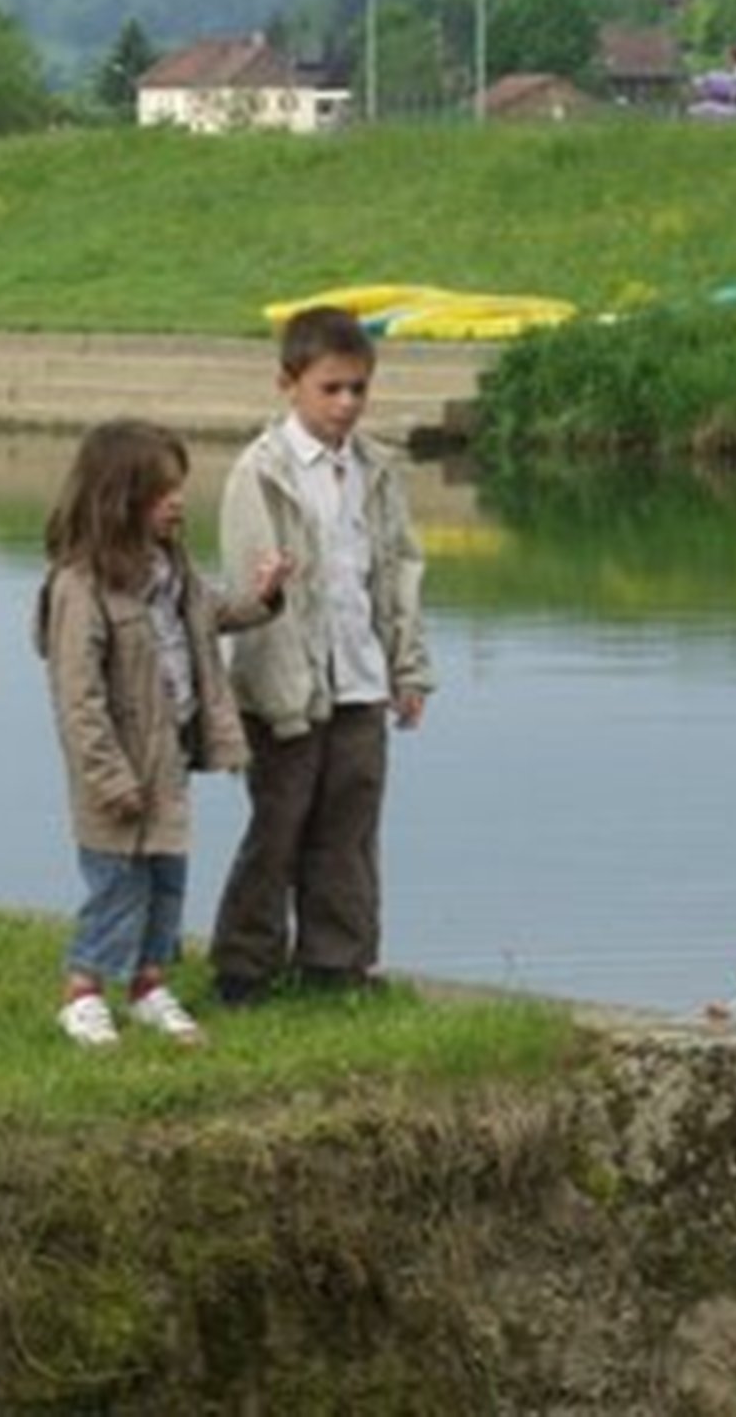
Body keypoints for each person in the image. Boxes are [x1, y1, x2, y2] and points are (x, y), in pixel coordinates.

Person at [35, 420, 289, 1048]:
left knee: (165, 877)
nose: (177, 502)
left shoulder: (171, 571)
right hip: (116, 767)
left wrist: (263, 598)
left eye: (178, 488)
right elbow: (78, 699)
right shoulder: (80, 587)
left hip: (167, 756)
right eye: (161, 492)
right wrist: (109, 777)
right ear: (117, 498)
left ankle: (148, 984)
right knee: (116, 882)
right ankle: (83, 992)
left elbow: (213, 613)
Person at [209, 305, 435, 1005]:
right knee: (278, 827)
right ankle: (246, 966)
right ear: (289, 384)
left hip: (360, 681)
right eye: (330, 388)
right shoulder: (260, 472)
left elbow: (397, 571)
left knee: (349, 827)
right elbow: (251, 593)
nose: (346, 404)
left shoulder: (375, 469)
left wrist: (407, 667)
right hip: (285, 688)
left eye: (357, 389)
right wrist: (273, 693)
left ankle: (337, 964)